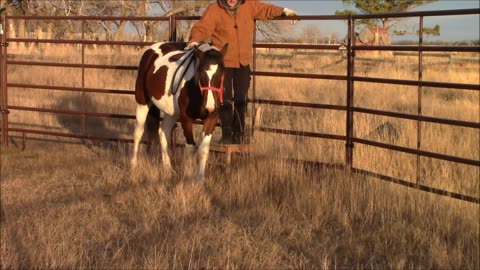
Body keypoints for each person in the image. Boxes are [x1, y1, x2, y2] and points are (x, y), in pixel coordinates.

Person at [186, 0, 297, 144]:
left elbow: (266, 10)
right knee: (224, 99)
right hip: (223, 63)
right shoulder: (214, 9)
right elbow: (202, 27)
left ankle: (238, 134)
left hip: (243, 62)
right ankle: (226, 134)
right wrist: (194, 40)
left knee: (241, 99)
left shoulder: (249, 5)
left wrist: (284, 11)